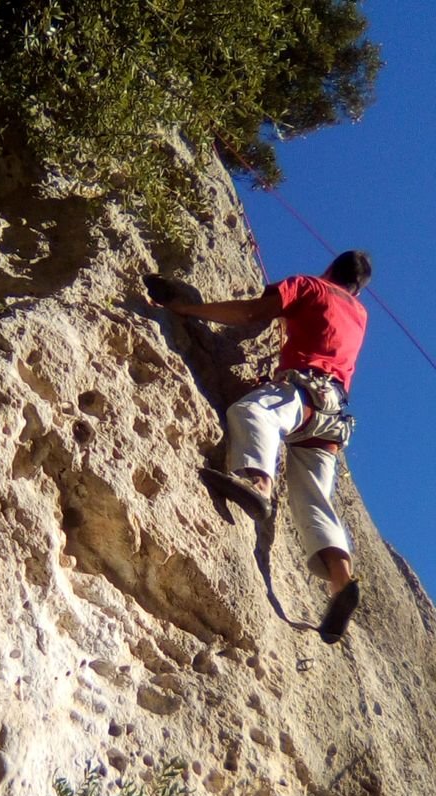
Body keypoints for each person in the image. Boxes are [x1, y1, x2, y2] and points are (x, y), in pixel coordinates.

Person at [144, 250, 372, 643]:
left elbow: (252, 315)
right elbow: (325, 332)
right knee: (314, 500)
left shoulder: (310, 285)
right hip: (332, 418)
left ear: (331, 270)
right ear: (358, 288)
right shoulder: (359, 315)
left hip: (305, 392)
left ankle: (257, 483)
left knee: (253, 412)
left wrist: (188, 310)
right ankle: (341, 581)